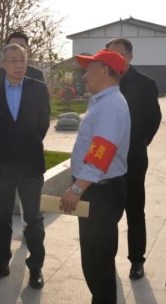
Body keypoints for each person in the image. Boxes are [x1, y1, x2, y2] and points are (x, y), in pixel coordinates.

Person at [60, 48, 130, 304]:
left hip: (100, 192)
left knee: (97, 259)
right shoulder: (104, 101)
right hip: (98, 188)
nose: (85, 75)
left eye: (89, 70)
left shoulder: (110, 106)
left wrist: (77, 188)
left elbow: (101, 154)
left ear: (104, 72)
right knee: (95, 257)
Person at [0, 44, 50, 289]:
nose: (19, 65)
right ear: (3, 64)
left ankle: (36, 267)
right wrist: (7, 146)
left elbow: (43, 123)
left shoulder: (38, 88)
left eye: (22, 60)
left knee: (33, 218)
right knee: (1, 218)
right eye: (13, 60)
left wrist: (26, 145)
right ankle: (1, 264)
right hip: (2, 165)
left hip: (31, 165)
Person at [105, 38, 161, 280]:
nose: (114, 59)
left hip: (133, 158)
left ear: (130, 56)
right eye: (109, 54)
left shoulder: (145, 84)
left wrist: (138, 143)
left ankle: (137, 260)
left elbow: (153, 119)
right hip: (106, 159)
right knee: (108, 210)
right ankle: (107, 256)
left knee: (135, 209)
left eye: (119, 54)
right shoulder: (104, 79)